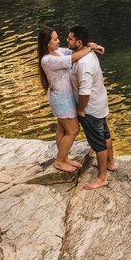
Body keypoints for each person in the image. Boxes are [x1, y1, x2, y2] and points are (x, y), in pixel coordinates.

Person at [36, 27, 103, 172]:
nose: (59, 41)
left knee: (62, 129)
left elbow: (75, 51)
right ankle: (59, 161)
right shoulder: (48, 60)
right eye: (55, 39)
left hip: (63, 98)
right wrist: (90, 48)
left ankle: (64, 156)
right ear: (47, 43)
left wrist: (92, 46)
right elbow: (73, 58)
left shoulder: (58, 51)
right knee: (73, 131)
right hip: (62, 100)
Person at [67, 25, 116, 189]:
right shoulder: (88, 52)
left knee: (98, 143)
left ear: (79, 42)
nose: (67, 40)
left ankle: (102, 178)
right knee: (105, 132)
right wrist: (91, 45)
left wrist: (81, 110)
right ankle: (110, 163)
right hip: (100, 103)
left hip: (91, 109)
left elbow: (85, 93)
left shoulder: (83, 65)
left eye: (70, 38)